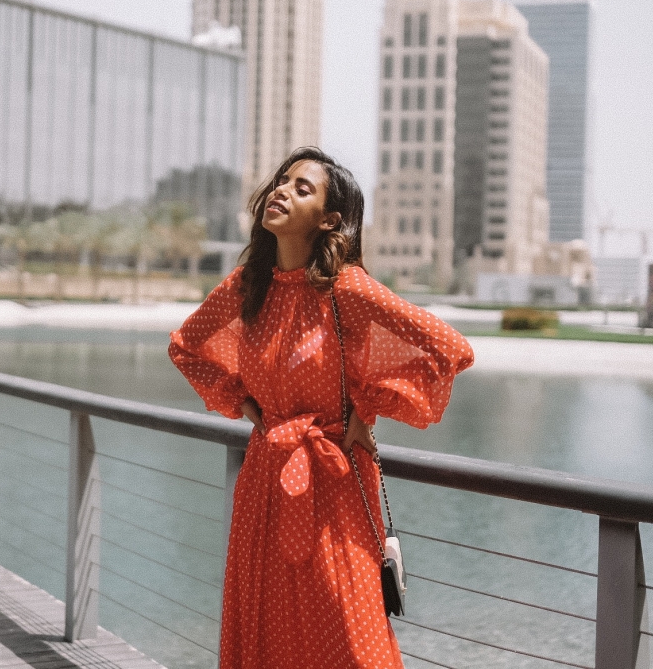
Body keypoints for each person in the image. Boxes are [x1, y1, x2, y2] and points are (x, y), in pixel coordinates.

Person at [169, 147, 473, 668]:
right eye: (281, 182)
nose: (281, 191)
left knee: (355, 641)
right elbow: (184, 347)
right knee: (267, 632)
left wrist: (369, 405)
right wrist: (240, 401)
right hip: (265, 480)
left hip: (334, 484)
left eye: (301, 188)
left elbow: (450, 347)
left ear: (330, 220)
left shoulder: (346, 287)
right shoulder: (247, 287)